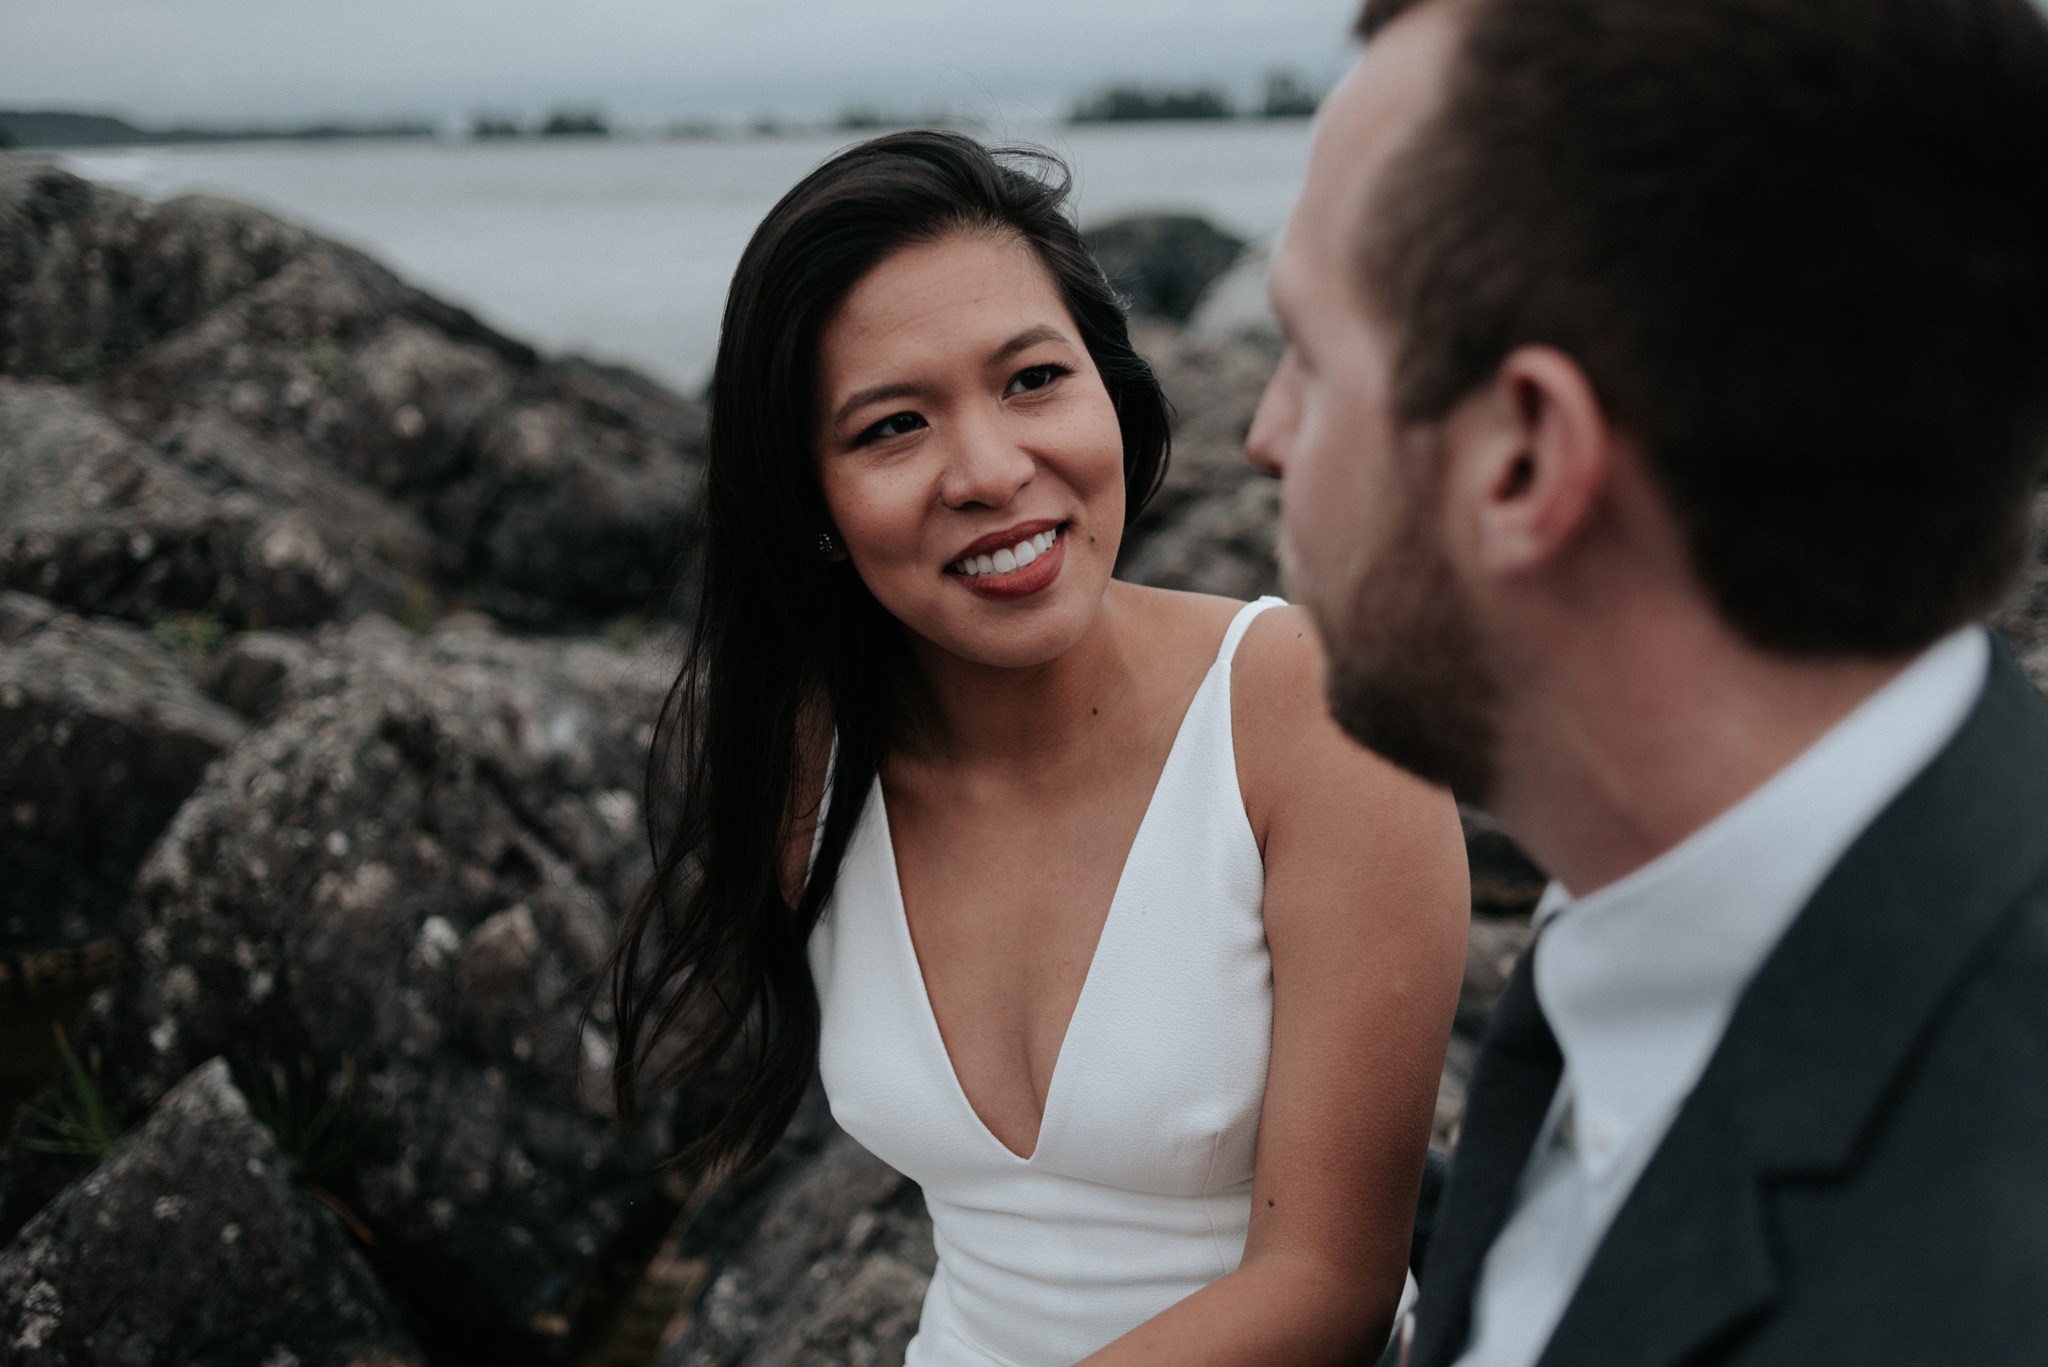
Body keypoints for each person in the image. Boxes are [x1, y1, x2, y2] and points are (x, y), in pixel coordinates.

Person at [1247, 0, 2048, 1363]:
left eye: (1312, 359)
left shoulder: (1960, 1279)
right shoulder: (1635, 930)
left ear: (1523, 458)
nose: (1263, 434)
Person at [604, 130, 1471, 1366]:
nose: (992, 470)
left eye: (1030, 380)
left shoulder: (1314, 718)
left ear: (1108, 390)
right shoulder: (808, 760)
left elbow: (1329, 1281)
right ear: (811, 505)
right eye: (892, 425)